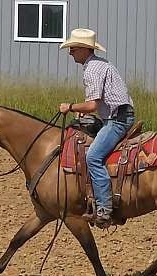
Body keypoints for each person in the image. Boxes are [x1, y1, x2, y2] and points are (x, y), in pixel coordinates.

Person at [59, 28, 135, 226]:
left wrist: (71, 107)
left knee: (93, 157)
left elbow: (92, 104)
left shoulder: (92, 69)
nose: (70, 52)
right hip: (115, 115)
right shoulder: (98, 65)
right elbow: (97, 104)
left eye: (73, 48)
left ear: (85, 49)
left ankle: (104, 208)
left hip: (117, 119)